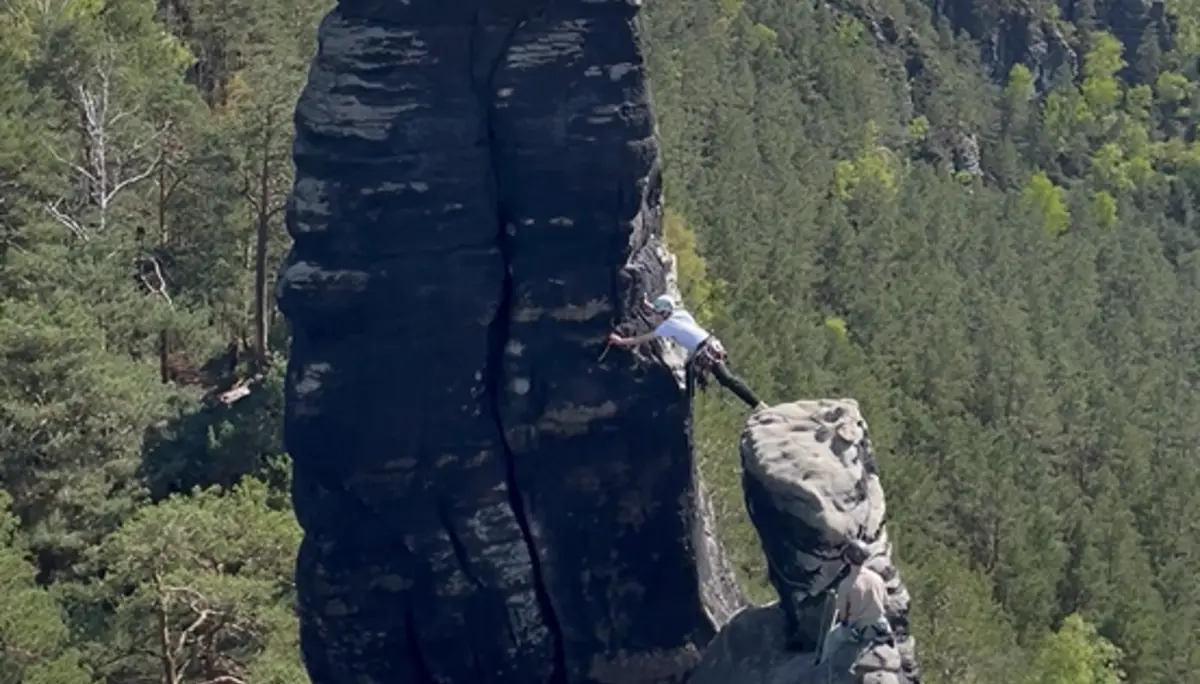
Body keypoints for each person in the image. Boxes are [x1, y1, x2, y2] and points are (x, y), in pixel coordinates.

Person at [607, 294, 766, 410]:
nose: (658, 316)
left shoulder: (667, 326)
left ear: (665, 313)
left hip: (704, 352)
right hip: (711, 344)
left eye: (660, 313)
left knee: (727, 379)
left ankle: (757, 404)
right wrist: (648, 304)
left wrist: (621, 341)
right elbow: (662, 312)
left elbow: (642, 339)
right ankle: (686, 401)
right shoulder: (682, 314)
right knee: (690, 370)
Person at [817, 539, 894, 667]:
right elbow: (886, 603)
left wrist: (845, 620)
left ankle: (821, 666)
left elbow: (843, 616)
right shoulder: (877, 578)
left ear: (847, 558)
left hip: (860, 629)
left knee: (831, 638)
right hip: (880, 626)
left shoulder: (846, 584)